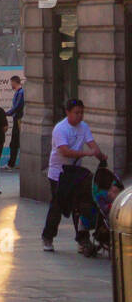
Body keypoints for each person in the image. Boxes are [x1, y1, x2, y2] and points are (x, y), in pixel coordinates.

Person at [42, 97, 106, 252]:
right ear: (67, 112)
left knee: (81, 206)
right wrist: (87, 153)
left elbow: (92, 145)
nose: (79, 116)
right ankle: (48, 237)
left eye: (81, 113)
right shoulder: (60, 129)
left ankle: (82, 240)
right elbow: (65, 151)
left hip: (75, 174)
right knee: (57, 207)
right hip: (59, 174)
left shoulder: (83, 127)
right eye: (76, 113)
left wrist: (100, 156)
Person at [5, 75, 24, 169]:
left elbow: (17, 106)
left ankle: (11, 163)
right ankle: (11, 163)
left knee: (15, 142)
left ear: (14, 82)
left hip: (19, 119)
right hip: (18, 119)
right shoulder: (19, 92)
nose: (10, 85)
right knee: (15, 142)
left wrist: (7, 113)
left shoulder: (20, 92)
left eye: (11, 82)